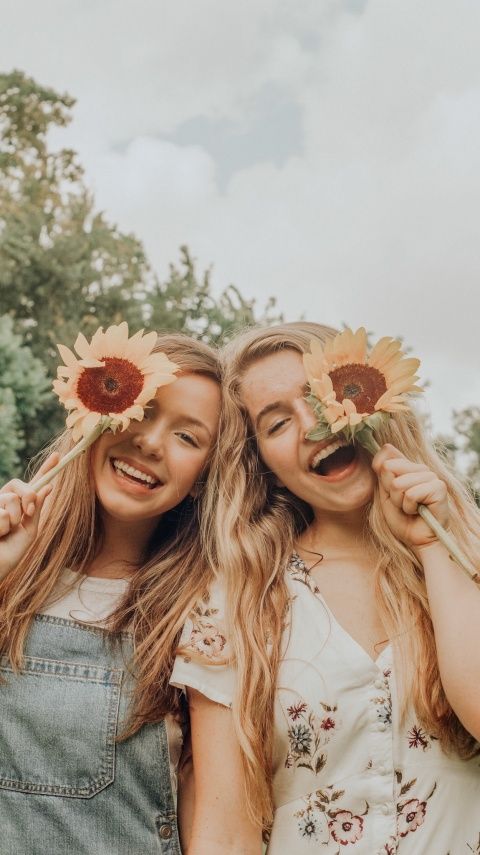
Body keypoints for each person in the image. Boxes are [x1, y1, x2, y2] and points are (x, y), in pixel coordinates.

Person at [171, 322, 480, 855]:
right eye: (276, 423)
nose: (313, 425)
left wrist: (435, 548)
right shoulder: (233, 601)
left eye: (324, 396)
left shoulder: (466, 558)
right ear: (263, 466)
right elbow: (224, 829)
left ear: (373, 401)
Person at [0, 332, 221, 855]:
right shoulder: (11, 568)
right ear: (94, 412)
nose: (149, 442)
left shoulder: (200, 610)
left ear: (201, 479)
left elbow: (214, 818)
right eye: (142, 411)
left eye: (187, 437)